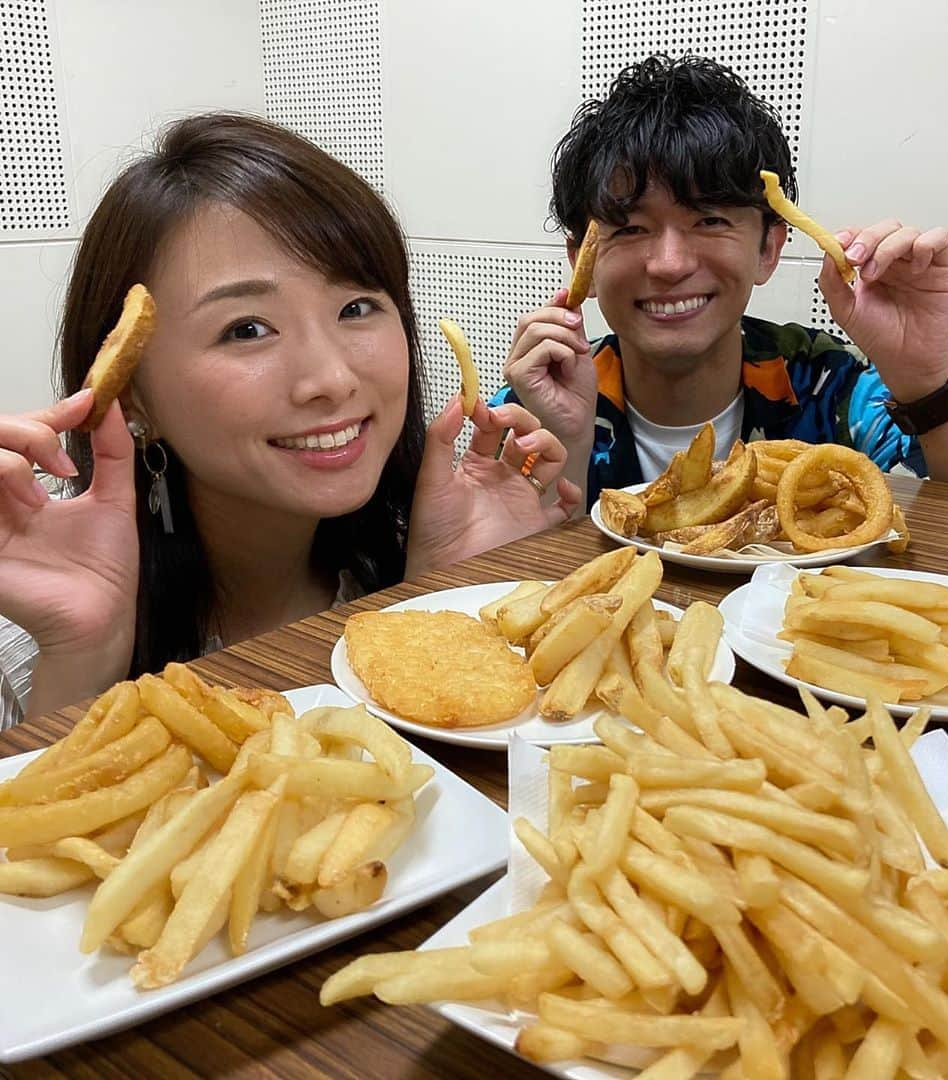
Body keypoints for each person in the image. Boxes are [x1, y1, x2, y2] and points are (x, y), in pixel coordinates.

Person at [0, 113, 580, 725]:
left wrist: (441, 595)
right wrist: (80, 659)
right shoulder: (27, 633)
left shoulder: (399, 556)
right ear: (132, 393)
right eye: (247, 329)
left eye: (356, 307)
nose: (332, 378)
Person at [497, 55, 948, 508]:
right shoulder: (539, 395)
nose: (668, 263)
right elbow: (492, 601)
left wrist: (927, 377)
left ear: (769, 248)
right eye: (630, 228)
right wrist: (564, 442)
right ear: (581, 262)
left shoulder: (831, 390)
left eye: (709, 220)